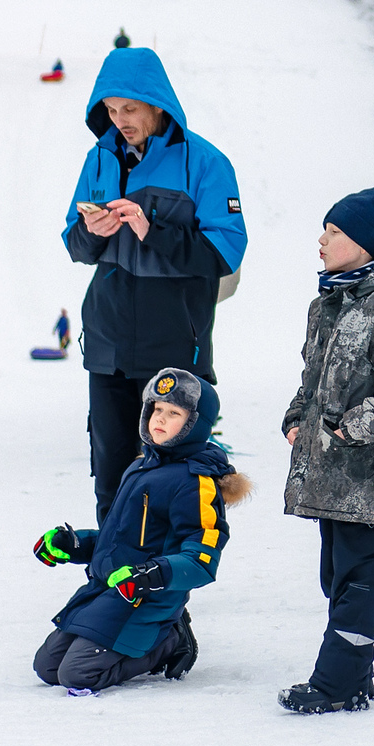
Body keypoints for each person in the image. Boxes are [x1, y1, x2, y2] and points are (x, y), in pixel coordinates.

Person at [65, 46, 247, 523]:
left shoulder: (205, 163)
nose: (119, 119)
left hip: (173, 352)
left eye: (129, 109)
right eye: (110, 109)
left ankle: (168, 591)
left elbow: (226, 252)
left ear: (157, 105)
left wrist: (154, 231)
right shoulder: (100, 158)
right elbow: (74, 244)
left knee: (173, 480)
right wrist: (91, 232)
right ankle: (110, 585)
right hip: (107, 348)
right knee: (111, 478)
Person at [279, 187, 374, 714]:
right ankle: (357, 677)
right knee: (336, 576)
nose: (322, 241)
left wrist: (352, 428)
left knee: (360, 577)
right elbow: (315, 378)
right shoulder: (328, 303)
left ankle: (336, 683)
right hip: (325, 471)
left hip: (366, 474)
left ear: (366, 243)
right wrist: (299, 417)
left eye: (335, 232)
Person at [32, 368, 246, 692]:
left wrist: (153, 573)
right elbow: (119, 538)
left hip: (144, 600)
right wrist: (75, 544)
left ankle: (170, 641)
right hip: (107, 593)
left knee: (77, 675)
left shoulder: (195, 482)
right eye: (157, 409)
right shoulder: (141, 465)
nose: (160, 419)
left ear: (195, 424)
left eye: (174, 413)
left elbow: (202, 558)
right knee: (46, 667)